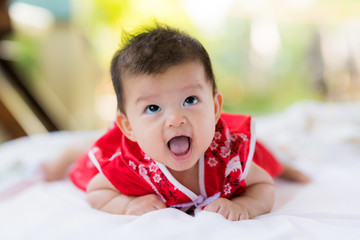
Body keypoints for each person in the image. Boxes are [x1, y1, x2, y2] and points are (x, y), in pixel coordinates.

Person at [44, 24, 309, 221]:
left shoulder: (227, 154)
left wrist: (244, 207)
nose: (175, 119)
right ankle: (74, 148)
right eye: (153, 107)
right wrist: (126, 205)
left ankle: (280, 162)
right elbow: (96, 191)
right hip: (130, 148)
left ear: (216, 107)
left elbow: (262, 186)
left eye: (190, 100)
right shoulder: (131, 166)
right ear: (129, 126)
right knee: (94, 157)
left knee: (257, 157)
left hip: (215, 136)